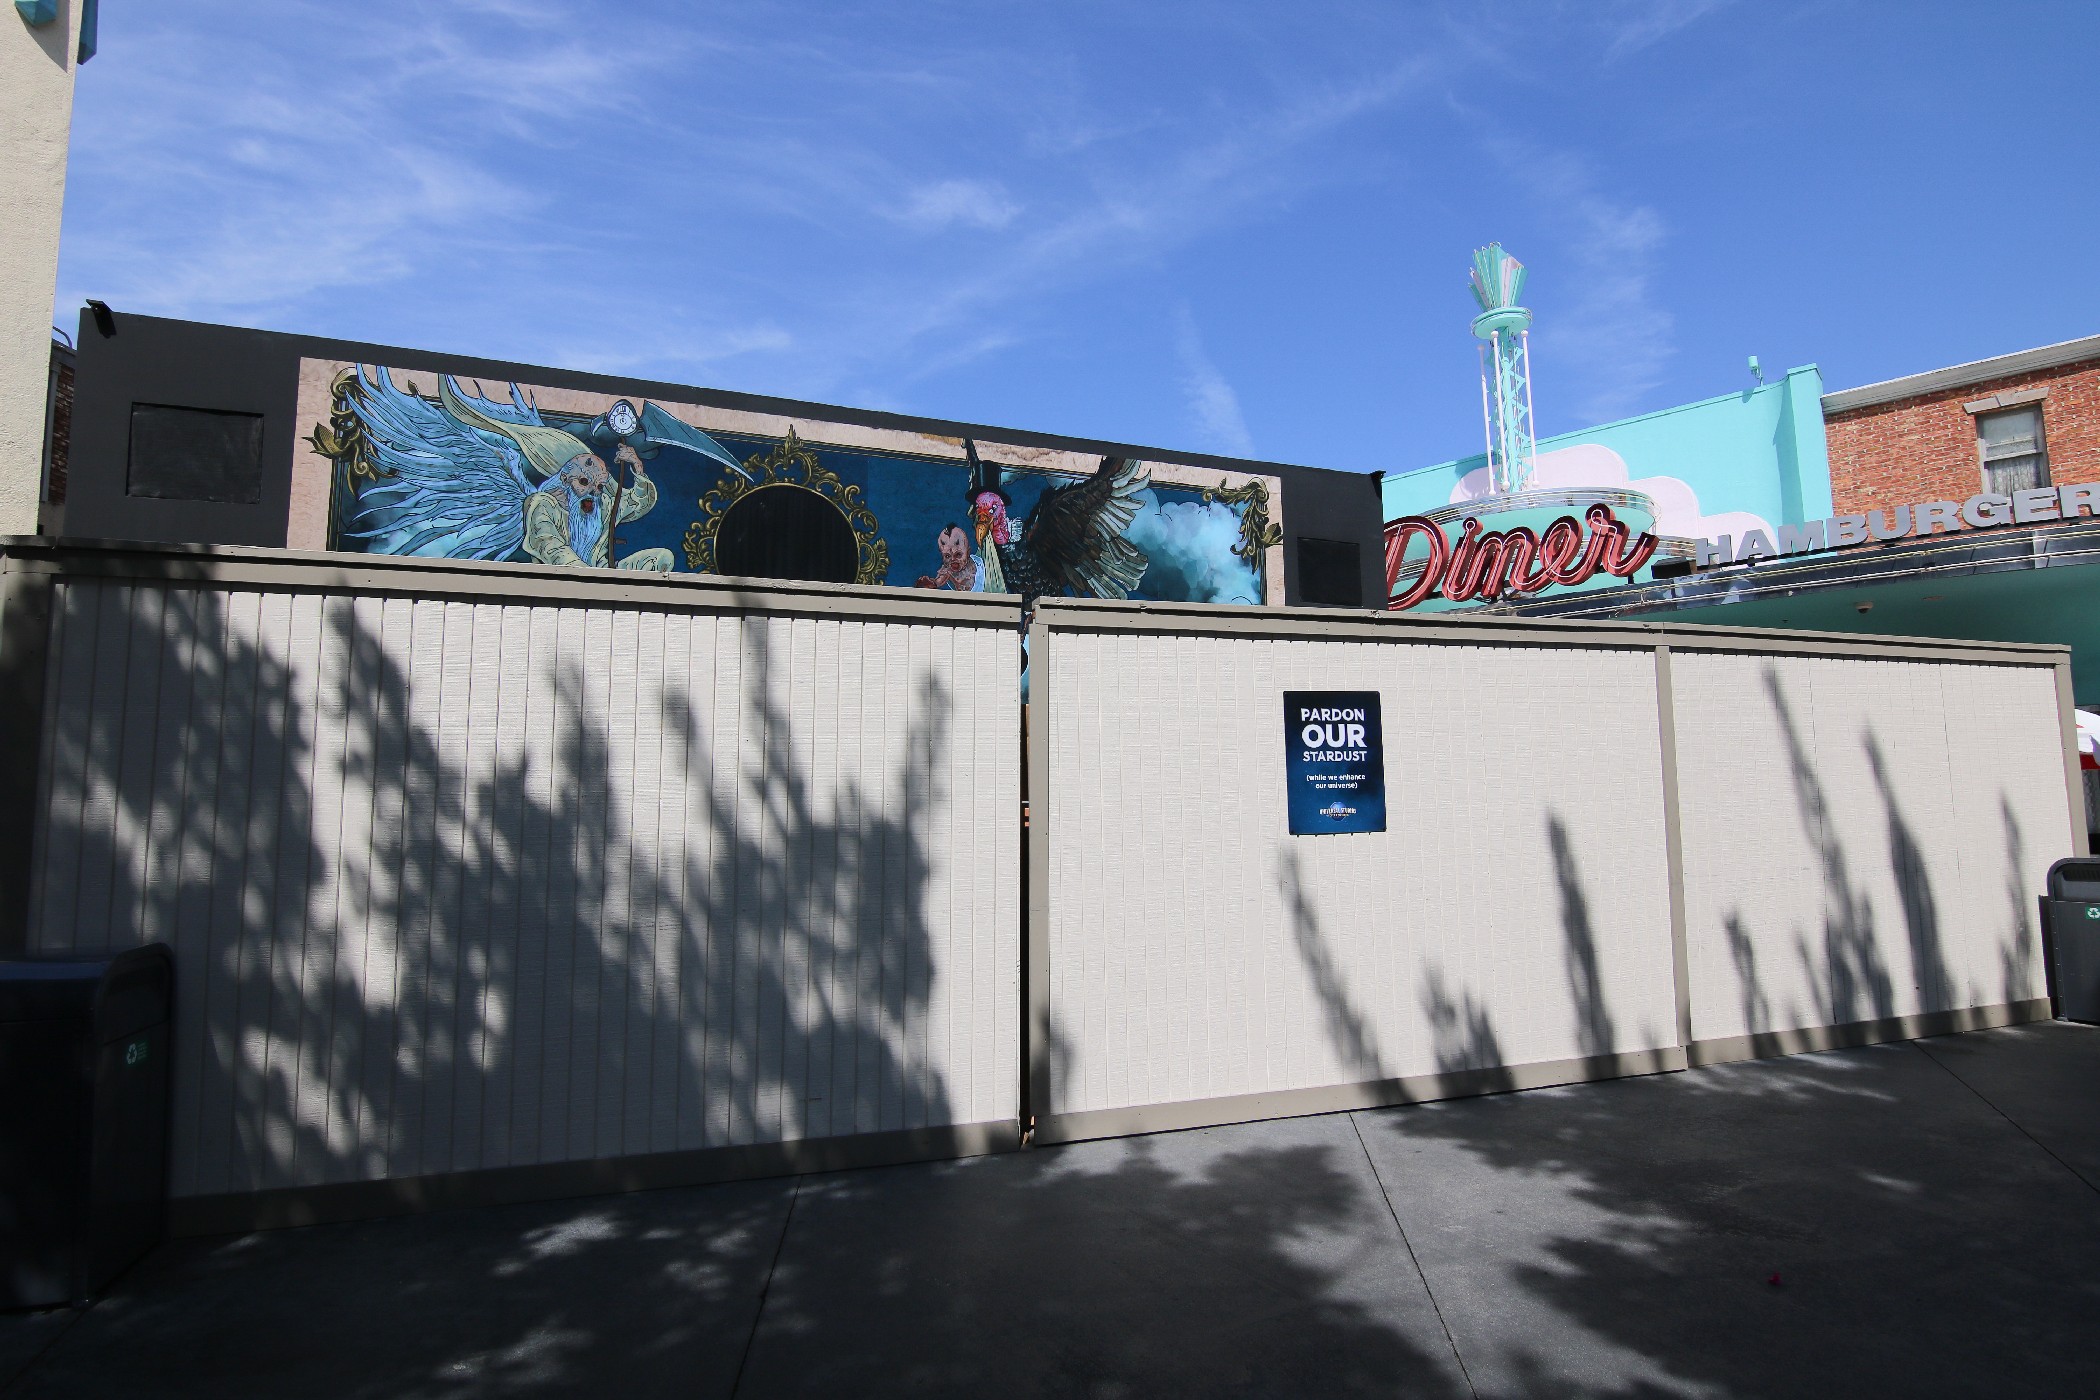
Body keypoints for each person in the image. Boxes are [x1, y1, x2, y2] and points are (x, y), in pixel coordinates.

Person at [522, 442, 673, 571]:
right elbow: (551, 548)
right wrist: (587, 576)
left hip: (603, 574)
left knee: (662, 557)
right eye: (584, 482)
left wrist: (637, 466)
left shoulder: (602, 506)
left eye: (599, 486)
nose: (591, 492)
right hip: (562, 580)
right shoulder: (544, 504)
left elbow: (638, 503)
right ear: (565, 478)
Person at [915, 521, 984, 591]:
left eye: (958, 554)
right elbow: (938, 581)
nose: (953, 559)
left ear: (968, 552)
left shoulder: (978, 563)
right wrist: (931, 584)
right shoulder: (947, 570)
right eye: (947, 556)